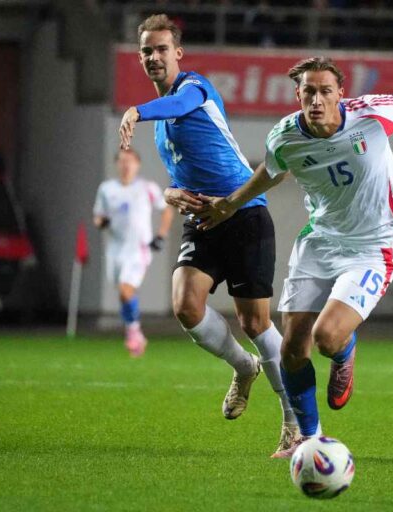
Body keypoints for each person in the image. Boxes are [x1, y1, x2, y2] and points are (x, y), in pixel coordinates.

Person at [197, 56, 393, 457]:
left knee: (327, 336)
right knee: (291, 347)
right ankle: (309, 438)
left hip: (374, 247)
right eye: (309, 92)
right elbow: (271, 173)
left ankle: (344, 351)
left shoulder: (372, 115)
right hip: (320, 242)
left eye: (325, 91)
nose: (317, 99)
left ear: (341, 93)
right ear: (298, 94)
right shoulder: (284, 136)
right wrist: (230, 204)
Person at [116, 14, 297, 456]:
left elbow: (177, 107)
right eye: (146, 51)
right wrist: (171, 192)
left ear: (178, 53)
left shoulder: (195, 89)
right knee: (185, 303)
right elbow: (180, 176)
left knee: (255, 322)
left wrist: (136, 109)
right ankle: (243, 368)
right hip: (203, 220)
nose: (154, 57)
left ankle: (295, 421)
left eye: (161, 49)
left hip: (244, 213)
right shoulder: (161, 128)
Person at [93, 148, 174, 357]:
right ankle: (134, 331)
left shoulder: (147, 188)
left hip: (138, 249)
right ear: (117, 165)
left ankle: (134, 333)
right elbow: (98, 216)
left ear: (137, 164)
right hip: (115, 249)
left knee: (126, 289)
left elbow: (166, 209)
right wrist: (102, 222)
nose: (125, 165)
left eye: (129, 161)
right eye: (121, 161)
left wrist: (161, 236)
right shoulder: (107, 189)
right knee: (123, 293)